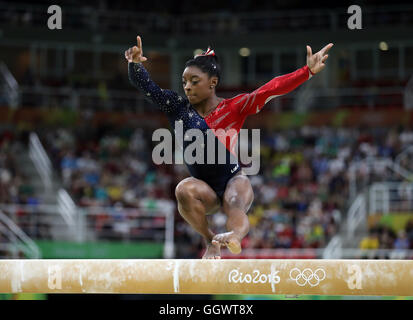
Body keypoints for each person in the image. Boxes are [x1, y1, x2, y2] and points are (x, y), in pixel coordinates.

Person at [125, 36, 333, 259]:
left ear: (212, 83)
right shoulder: (177, 108)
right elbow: (149, 88)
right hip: (205, 191)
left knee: (235, 200)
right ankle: (210, 239)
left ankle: (234, 235)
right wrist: (134, 65)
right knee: (183, 190)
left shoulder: (232, 108)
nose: (187, 87)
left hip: (234, 180)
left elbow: (269, 90)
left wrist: (306, 72)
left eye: (194, 81)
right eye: (184, 81)